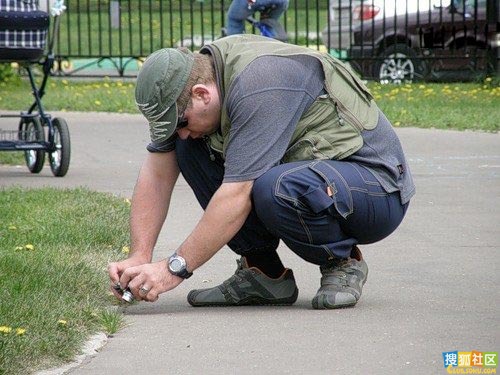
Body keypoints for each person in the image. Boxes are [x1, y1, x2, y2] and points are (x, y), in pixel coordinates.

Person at [108, 34, 415, 310]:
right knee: (186, 148)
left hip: (376, 188)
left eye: (181, 122)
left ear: (202, 94)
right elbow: (157, 175)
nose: (182, 132)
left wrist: (171, 270)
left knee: (275, 187)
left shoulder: (259, 84)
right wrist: (139, 255)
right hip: (320, 180)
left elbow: (235, 197)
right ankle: (264, 274)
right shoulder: (202, 81)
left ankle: (343, 262)